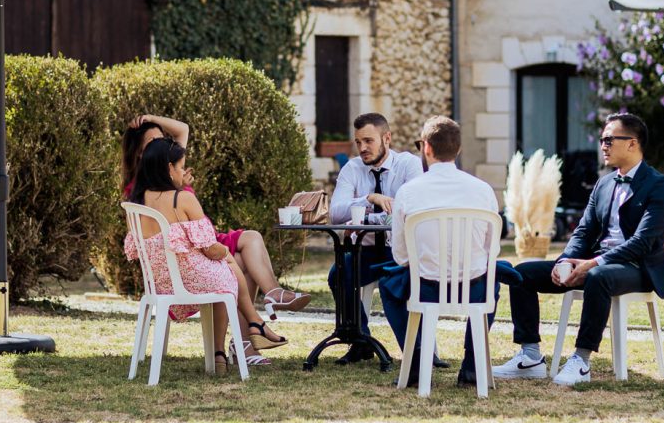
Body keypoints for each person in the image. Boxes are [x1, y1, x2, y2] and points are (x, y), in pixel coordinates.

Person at [494, 113, 664, 387]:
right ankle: (530, 356)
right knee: (522, 274)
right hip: (593, 263)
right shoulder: (603, 183)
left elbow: (643, 242)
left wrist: (593, 264)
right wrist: (565, 262)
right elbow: (584, 230)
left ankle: (581, 360)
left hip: (637, 268)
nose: (603, 145)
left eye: (609, 139)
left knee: (598, 277)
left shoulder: (659, 185)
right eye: (602, 139)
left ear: (632, 143)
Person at [122, 114, 311, 320]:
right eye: (153, 142)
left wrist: (149, 118)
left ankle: (272, 295)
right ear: (140, 153)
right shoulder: (141, 189)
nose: (160, 145)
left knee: (252, 238)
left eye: (161, 140)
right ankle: (246, 338)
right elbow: (167, 227)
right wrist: (177, 187)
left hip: (204, 242)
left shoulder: (171, 166)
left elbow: (182, 129)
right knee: (243, 262)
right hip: (192, 254)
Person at [124, 138, 283, 368]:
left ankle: (227, 349)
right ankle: (252, 324)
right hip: (192, 282)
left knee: (224, 268)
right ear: (169, 168)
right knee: (227, 261)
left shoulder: (135, 203)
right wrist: (224, 251)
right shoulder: (182, 198)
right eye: (180, 167)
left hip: (160, 285)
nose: (182, 173)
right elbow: (209, 247)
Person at [377, 116, 500, 388]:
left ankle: (418, 358)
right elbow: (492, 250)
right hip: (475, 289)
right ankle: (471, 365)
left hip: (427, 289)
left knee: (389, 285)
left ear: (427, 148)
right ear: (458, 150)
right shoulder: (483, 191)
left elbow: (400, 256)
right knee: (496, 280)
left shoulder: (408, 193)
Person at [327, 112, 425, 363]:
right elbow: (336, 212)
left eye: (369, 141)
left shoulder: (408, 165)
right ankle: (360, 342)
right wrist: (369, 199)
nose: (362, 148)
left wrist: (365, 219)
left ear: (387, 138)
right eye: (358, 142)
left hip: (401, 251)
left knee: (393, 286)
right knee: (338, 274)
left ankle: (418, 354)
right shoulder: (353, 167)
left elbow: (411, 210)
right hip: (367, 251)